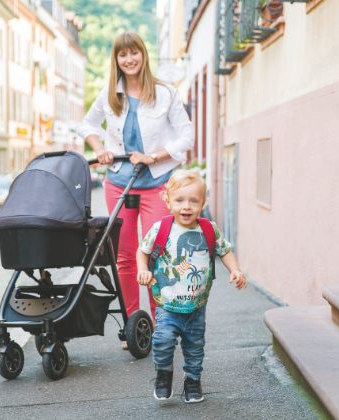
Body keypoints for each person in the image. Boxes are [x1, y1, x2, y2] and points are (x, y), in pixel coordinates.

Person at [75, 33, 194, 337]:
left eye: (134, 53)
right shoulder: (109, 94)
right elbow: (88, 124)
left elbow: (186, 137)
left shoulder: (165, 93)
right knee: (125, 257)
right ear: (116, 60)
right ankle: (135, 327)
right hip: (119, 182)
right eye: (122, 55)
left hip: (156, 183)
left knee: (155, 252)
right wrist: (98, 146)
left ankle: (161, 324)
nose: (129, 60)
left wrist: (153, 156)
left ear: (143, 54)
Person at [136, 170, 247, 403]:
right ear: (168, 201)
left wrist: (235, 270)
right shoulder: (160, 228)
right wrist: (143, 269)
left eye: (193, 201)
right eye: (179, 200)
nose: (186, 207)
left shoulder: (209, 229)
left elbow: (224, 250)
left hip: (197, 307)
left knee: (195, 347)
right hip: (167, 304)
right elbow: (143, 251)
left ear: (203, 203)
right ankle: (164, 373)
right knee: (163, 341)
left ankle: (193, 380)